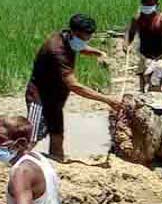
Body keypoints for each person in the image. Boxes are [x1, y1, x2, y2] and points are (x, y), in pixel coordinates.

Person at [25, 13, 122, 163]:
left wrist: (98, 53)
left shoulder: (67, 38)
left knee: (57, 131)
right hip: (40, 96)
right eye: (83, 38)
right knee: (32, 134)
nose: (85, 41)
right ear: (74, 32)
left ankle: (57, 159)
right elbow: (75, 86)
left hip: (55, 96)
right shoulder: (57, 50)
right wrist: (107, 100)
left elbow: (80, 47)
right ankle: (16, 162)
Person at [124, 0, 162, 92]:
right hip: (144, 56)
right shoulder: (138, 18)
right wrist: (126, 43)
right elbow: (130, 32)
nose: (147, 7)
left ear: (157, 5)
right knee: (143, 85)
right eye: (145, 4)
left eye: (149, 5)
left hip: (160, 57)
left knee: (155, 81)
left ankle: (155, 93)